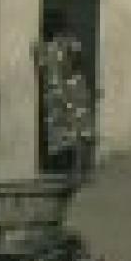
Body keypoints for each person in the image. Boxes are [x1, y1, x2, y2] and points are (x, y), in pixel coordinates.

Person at [37, 10, 96, 182]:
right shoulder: (59, 44)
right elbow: (77, 65)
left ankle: (79, 172)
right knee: (76, 132)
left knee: (76, 132)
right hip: (68, 91)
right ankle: (78, 171)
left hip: (66, 91)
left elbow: (45, 70)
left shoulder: (51, 46)